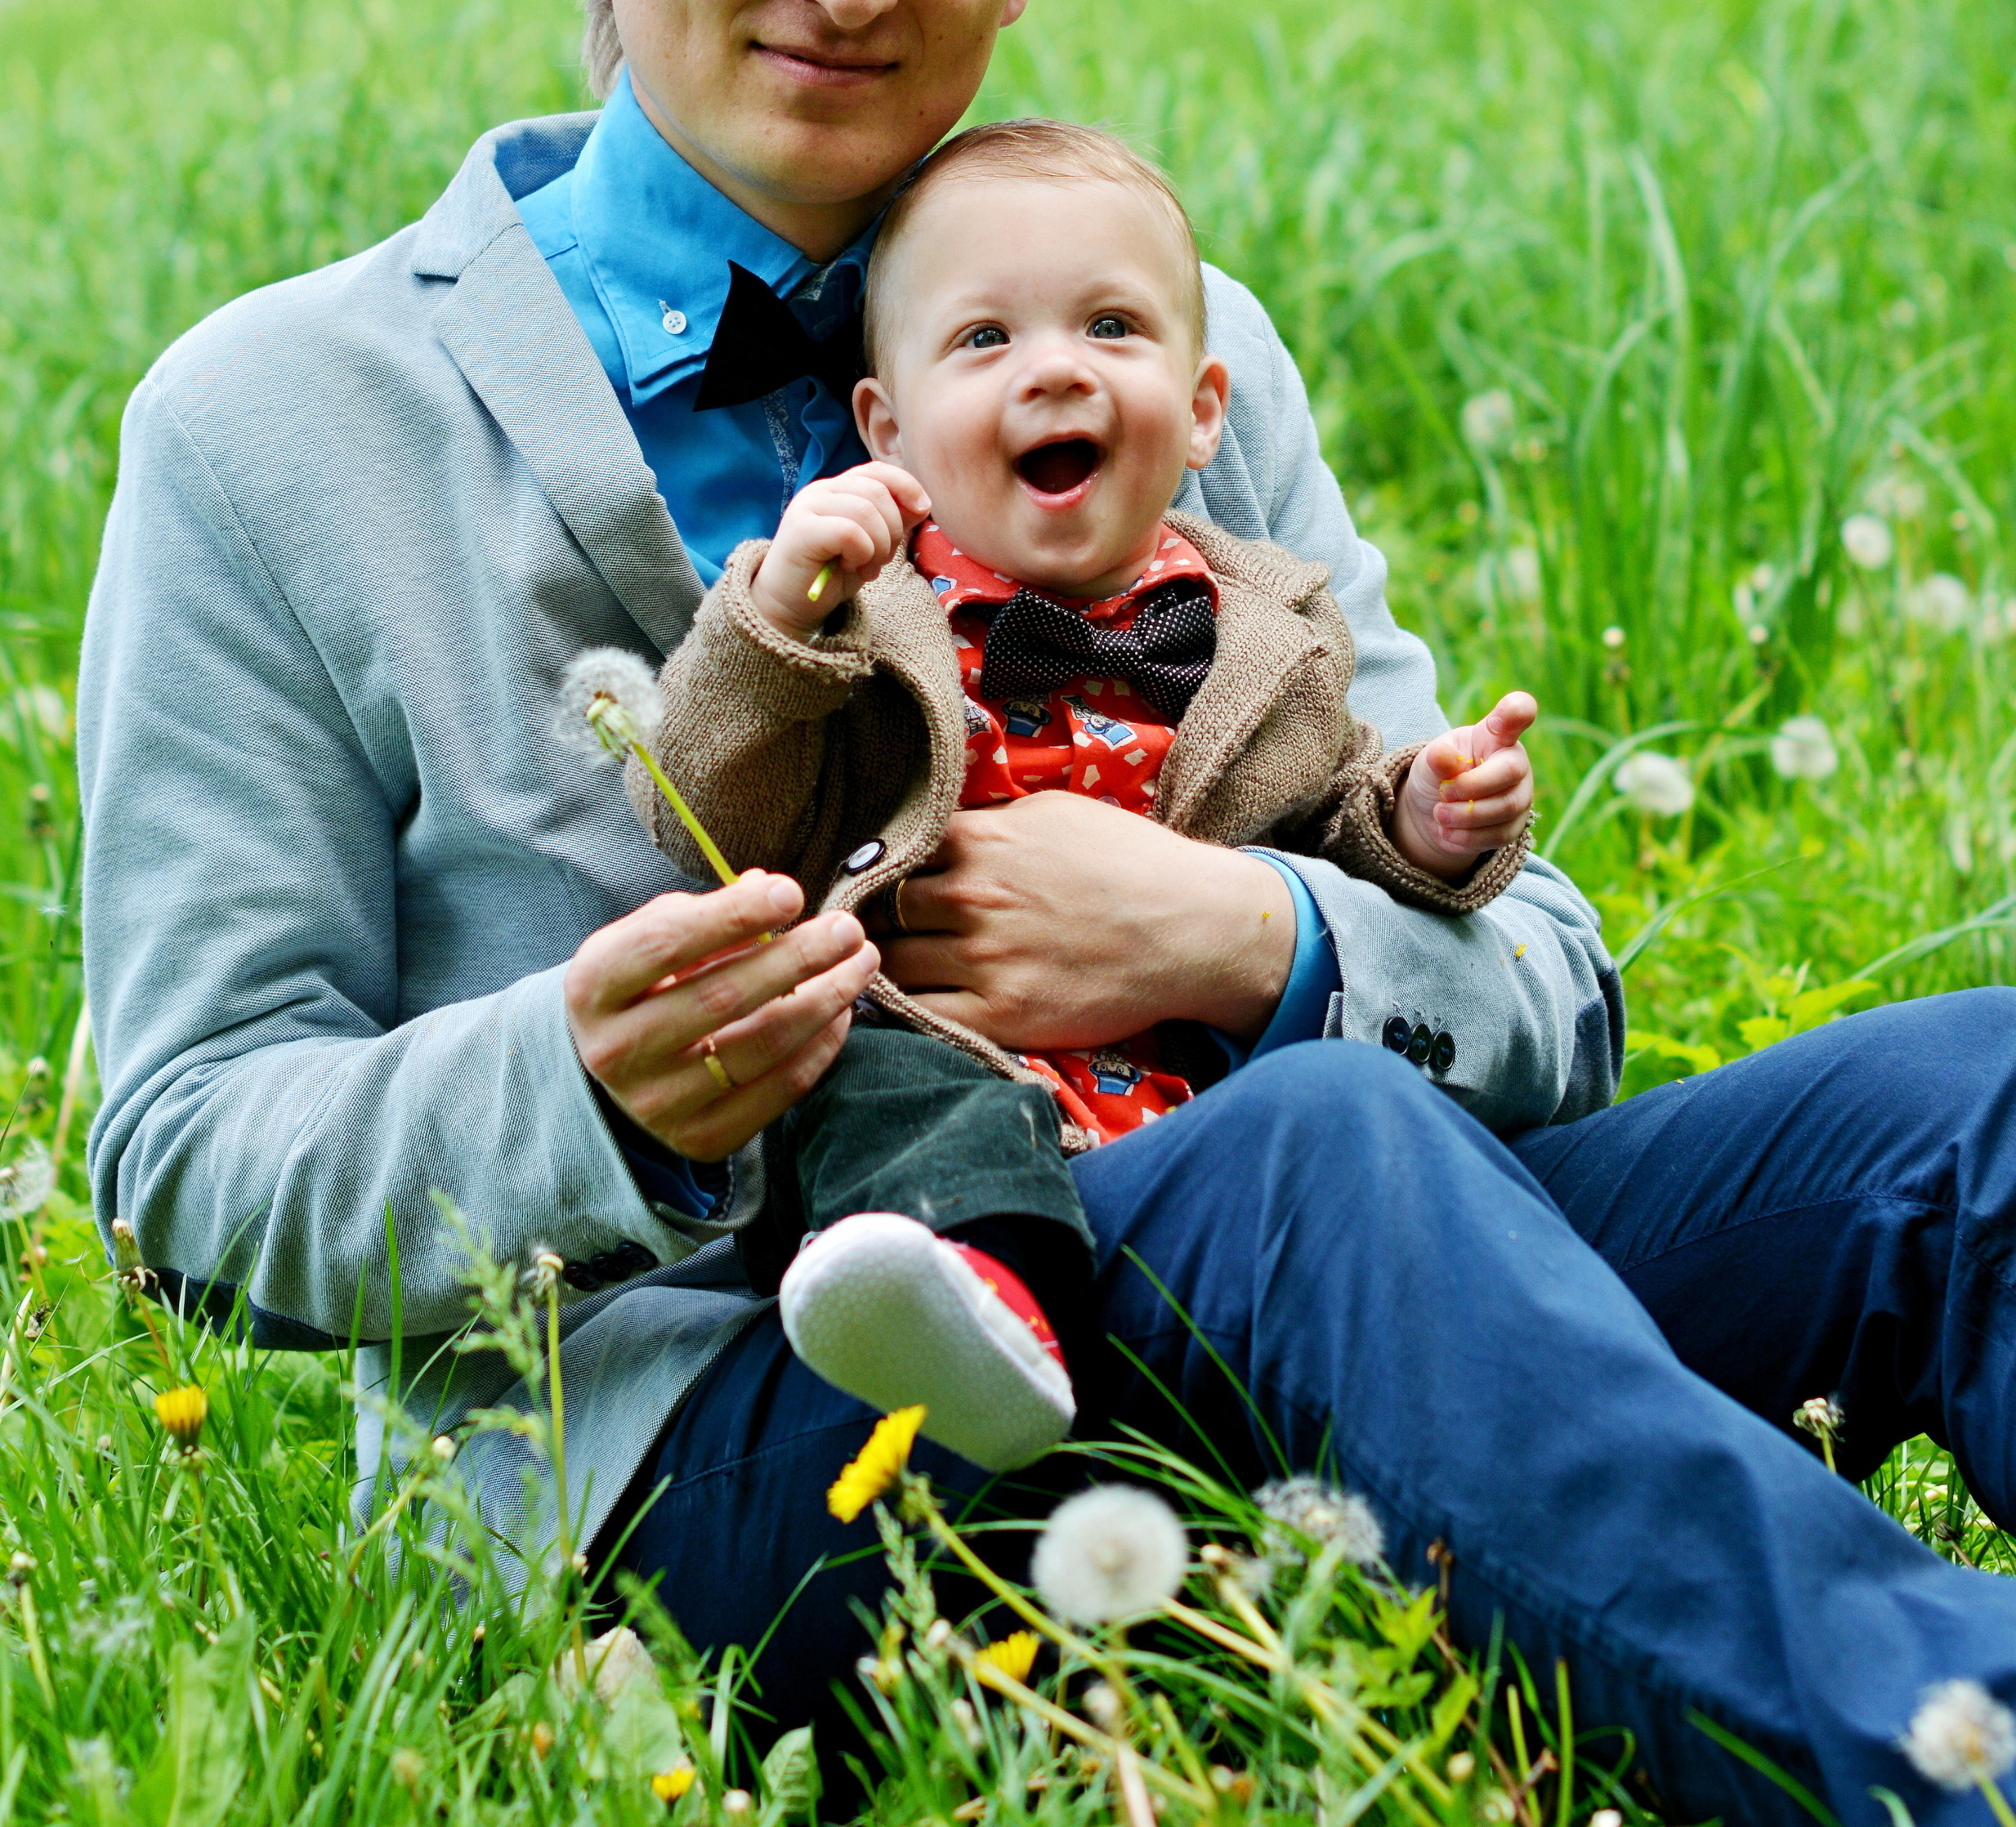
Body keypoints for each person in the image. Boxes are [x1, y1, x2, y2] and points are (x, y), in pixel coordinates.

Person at [74, 0, 2016, 1827]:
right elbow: (181, 1143)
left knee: (1979, 1103)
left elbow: (1542, 977)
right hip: (743, 1458)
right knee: (1319, 1160)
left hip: (1313, 1261)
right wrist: (585, 1097)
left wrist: (1254, 937)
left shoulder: (1149, 337)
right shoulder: (278, 425)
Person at [623, 116, 1537, 1469]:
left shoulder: (1261, 633)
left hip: (1200, 1103)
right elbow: (715, 810)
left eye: (1111, 327)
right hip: (936, 1047)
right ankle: (980, 1308)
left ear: (1205, 408)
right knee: (866, 1083)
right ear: (888, 430)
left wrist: (1423, 818)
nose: (1054, 368)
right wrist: (777, 625)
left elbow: (1329, 810)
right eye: (985, 339)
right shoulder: (863, 626)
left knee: (1338, 1114)